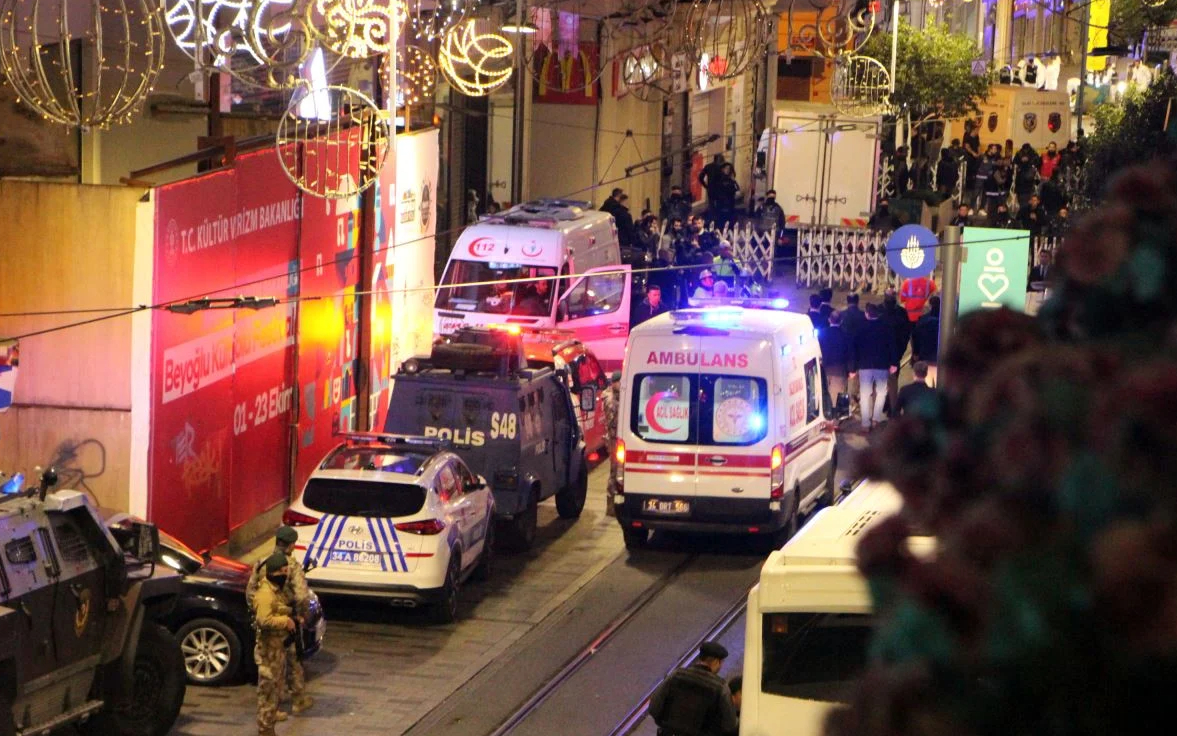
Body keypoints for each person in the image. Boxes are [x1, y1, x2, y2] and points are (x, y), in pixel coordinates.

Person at [246, 527, 314, 719]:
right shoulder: (291, 565)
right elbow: (302, 596)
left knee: (271, 664)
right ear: (292, 544)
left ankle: (273, 705)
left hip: (268, 621)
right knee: (293, 658)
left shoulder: (262, 562)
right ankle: (297, 700)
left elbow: (250, 592)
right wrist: (302, 615)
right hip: (286, 620)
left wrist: (259, 609)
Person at [253, 551, 299, 736]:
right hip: (268, 650)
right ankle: (265, 729)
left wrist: (288, 612)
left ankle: (270, 719)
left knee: (275, 687)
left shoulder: (273, 590)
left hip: (276, 649)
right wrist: (284, 621)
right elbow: (263, 619)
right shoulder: (265, 594)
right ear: (275, 573)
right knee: (268, 690)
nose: (286, 575)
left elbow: (275, 607)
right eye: (284, 571)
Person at [648, 641, 739, 736]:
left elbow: (654, 707)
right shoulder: (720, 687)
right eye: (721, 663)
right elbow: (730, 724)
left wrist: (666, 725)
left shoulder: (676, 675)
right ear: (716, 661)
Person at [849, 303, 899, 432]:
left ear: (867, 314)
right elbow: (892, 346)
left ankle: (865, 423)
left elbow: (854, 349)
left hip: (864, 366)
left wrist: (853, 368)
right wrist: (894, 363)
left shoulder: (860, 329)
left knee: (865, 394)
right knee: (882, 392)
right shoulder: (886, 328)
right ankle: (876, 418)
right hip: (882, 365)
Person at [819, 310, 851, 414]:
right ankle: (838, 417)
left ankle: (826, 414)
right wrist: (851, 369)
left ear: (829, 320)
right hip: (839, 368)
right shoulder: (845, 334)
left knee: (824, 390)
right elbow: (849, 353)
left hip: (824, 366)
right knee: (840, 392)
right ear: (841, 321)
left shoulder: (822, 333)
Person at [910, 295, 940, 387]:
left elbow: (915, 337)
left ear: (930, 305)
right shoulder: (946, 319)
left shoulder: (923, 320)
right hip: (940, 359)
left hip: (925, 356)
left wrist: (915, 353)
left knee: (926, 386)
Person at [603, 370, 621, 517]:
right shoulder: (611, 400)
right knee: (614, 471)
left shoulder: (618, 398)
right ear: (614, 383)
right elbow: (612, 423)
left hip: (617, 439)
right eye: (619, 382)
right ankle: (610, 505)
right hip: (614, 440)